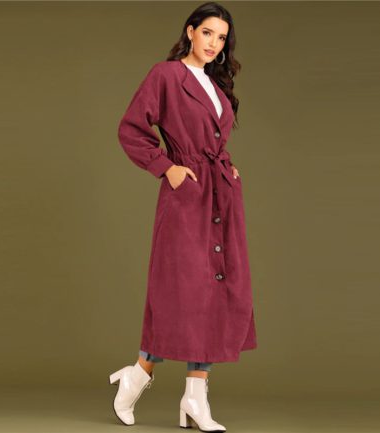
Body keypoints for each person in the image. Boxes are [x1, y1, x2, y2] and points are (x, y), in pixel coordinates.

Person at [109, 2, 257, 431]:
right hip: (187, 197)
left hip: (221, 196)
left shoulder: (216, 85)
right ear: (190, 31)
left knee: (215, 291)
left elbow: (213, 139)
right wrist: (167, 167)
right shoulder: (166, 75)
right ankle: (138, 374)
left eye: (221, 38)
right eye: (207, 33)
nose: (214, 44)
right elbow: (131, 129)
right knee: (181, 292)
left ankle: (195, 396)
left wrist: (228, 166)